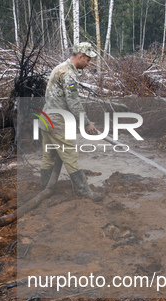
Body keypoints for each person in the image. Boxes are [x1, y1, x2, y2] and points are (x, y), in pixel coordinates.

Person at [39, 42, 102, 201]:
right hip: (57, 122)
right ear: (80, 56)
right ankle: (83, 191)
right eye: (88, 60)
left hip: (46, 118)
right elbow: (73, 102)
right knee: (70, 156)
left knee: (50, 154)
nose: (89, 64)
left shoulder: (60, 68)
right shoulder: (69, 74)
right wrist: (86, 123)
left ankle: (46, 187)